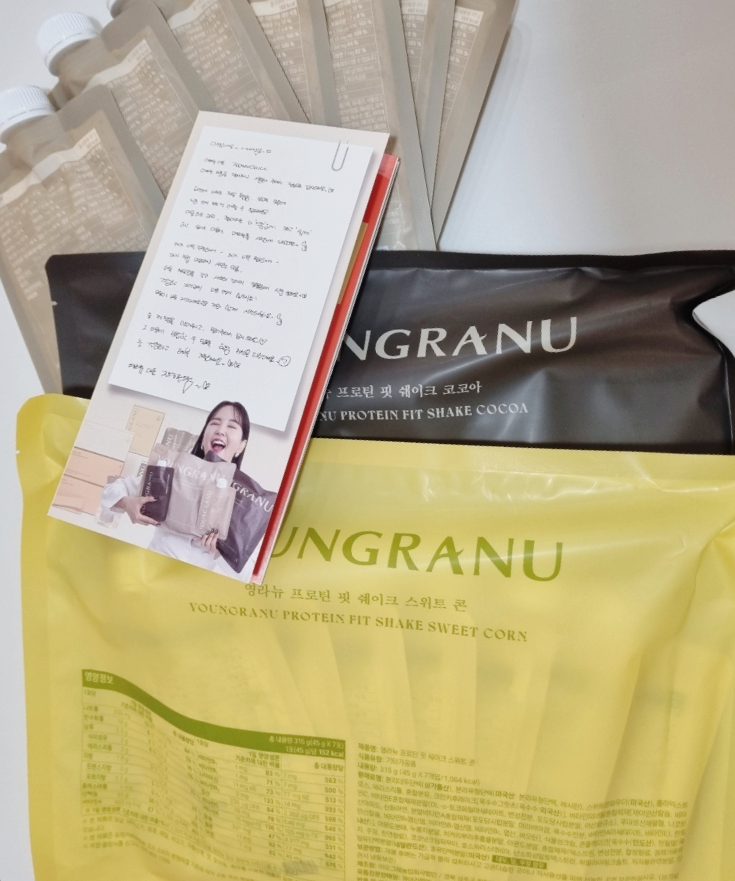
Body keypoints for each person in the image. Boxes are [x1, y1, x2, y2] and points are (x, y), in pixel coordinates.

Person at [100, 401, 250, 570]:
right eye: (214, 423)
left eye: (231, 426)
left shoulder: (244, 502)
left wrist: (220, 552)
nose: (220, 430)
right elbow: (111, 489)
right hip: (147, 570)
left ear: (241, 445)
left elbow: (249, 573)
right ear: (203, 438)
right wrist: (127, 503)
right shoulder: (175, 473)